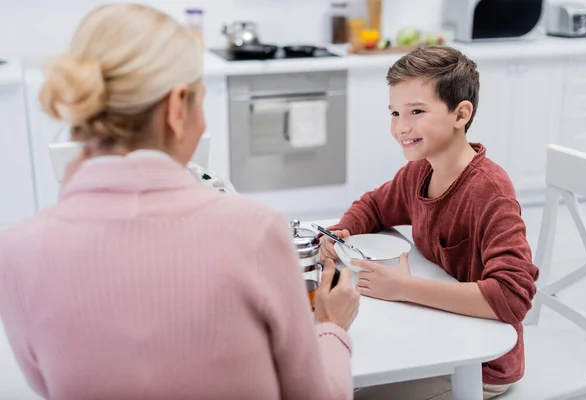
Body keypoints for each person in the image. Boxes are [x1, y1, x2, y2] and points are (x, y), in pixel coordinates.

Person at [0, 4, 360, 400]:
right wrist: (331, 325)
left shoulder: (16, 251)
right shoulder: (254, 230)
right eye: (199, 102)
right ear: (176, 108)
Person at [321, 46, 539, 400]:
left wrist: (405, 289)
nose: (401, 127)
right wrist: (344, 230)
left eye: (417, 111)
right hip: (438, 335)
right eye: (394, 112)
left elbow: (513, 297)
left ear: (461, 114)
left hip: (479, 365)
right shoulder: (420, 171)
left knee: (353, 391)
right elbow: (375, 205)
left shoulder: (490, 191)